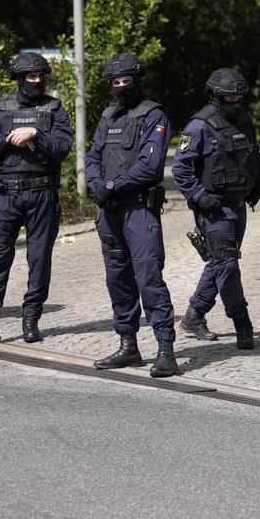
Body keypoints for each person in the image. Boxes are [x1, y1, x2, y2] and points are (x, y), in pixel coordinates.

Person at [0, 52, 74, 348]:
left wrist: (36, 134)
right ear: (19, 78)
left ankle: (31, 320)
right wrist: (9, 138)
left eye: (40, 77)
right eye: (31, 77)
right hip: (7, 195)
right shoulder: (0, 110)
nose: (36, 81)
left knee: (38, 260)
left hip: (42, 194)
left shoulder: (55, 108)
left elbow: (63, 147)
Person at [84, 53, 178, 378]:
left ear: (138, 80)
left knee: (149, 276)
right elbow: (93, 154)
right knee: (118, 280)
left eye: (126, 81)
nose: (121, 87)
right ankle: (128, 345)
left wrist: (112, 184)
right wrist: (94, 182)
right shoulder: (108, 115)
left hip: (139, 209)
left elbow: (150, 165)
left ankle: (165, 348)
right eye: (116, 82)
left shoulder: (153, 115)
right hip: (109, 211)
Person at [172, 68, 260, 349]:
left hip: (238, 205)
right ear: (215, 96)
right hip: (213, 208)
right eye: (229, 96)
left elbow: (254, 154)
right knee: (227, 264)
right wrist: (200, 197)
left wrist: (259, 181)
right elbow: (180, 168)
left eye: (239, 96)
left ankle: (194, 315)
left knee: (220, 262)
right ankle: (242, 322)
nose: (235, 101)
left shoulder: (244, 121)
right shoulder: (199, 126)